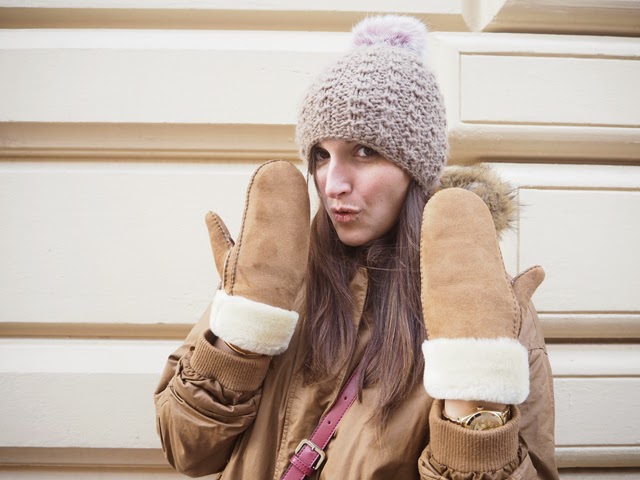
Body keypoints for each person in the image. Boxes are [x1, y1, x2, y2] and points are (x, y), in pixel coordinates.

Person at [154, 15, 559, 479]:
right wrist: (243, 330)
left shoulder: (487, 307)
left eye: (364, 152)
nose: (333, 184)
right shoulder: (276, 272)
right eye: (321, 156)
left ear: (414, 169)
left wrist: (475, 398)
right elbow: (187, 450)